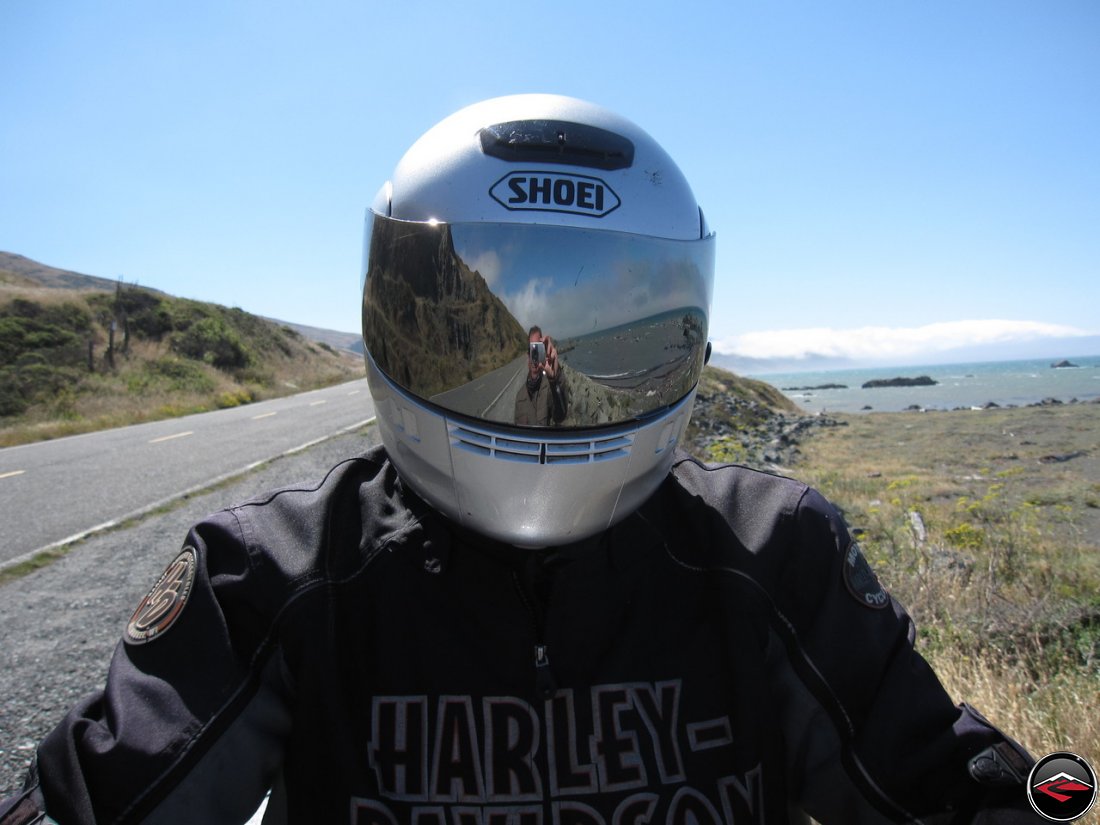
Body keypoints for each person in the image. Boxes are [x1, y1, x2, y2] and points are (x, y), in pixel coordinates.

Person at [0, 95, 1043, 824]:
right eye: (531, 300)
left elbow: (934, 775)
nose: (543, 336)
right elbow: (111, 785)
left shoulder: (777, 554)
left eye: (604, 296)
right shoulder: (267, 575)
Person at [515, 326, 567, 426]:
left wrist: (554, 378)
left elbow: (560, 416)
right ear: (528, 355)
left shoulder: (548, 388)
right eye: (532, 350)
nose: (534, 356)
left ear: (543, 352)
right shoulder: (519, 397)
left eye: (537, 350)